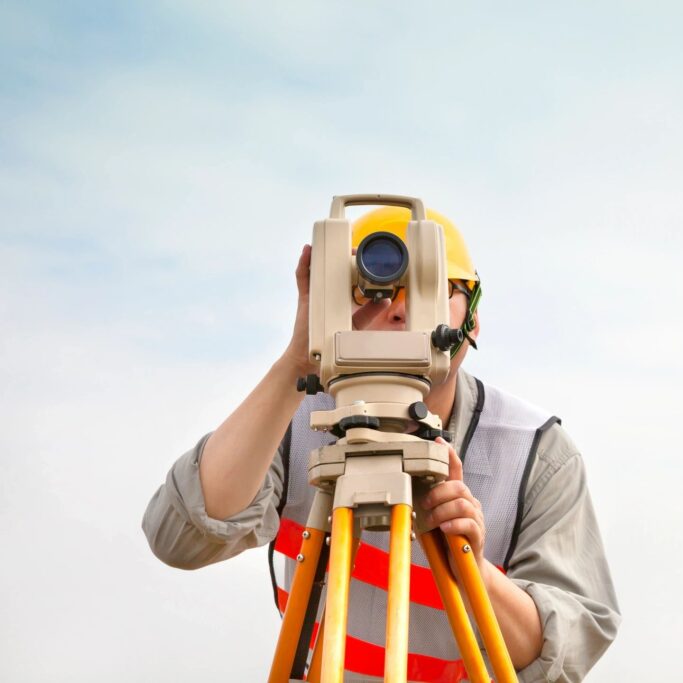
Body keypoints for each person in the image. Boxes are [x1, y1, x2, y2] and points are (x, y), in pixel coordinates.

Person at [142, 206, 620, 682]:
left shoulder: (534, 454)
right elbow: (180, 539)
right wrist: (297, 364)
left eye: (431, 288)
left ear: (472, 319)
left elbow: (567, 654)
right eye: (374, 286)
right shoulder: (295, 419)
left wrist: (472, 569)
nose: (399, 308)